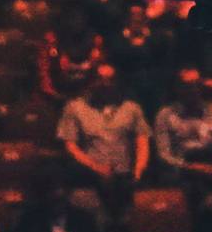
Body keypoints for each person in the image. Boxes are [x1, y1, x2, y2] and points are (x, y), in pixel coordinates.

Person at [58, 65, 151, 210]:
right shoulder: (75, 108)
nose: (105, 84)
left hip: (125, 175)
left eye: (110, 80)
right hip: (90, 175)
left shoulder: (132, 108)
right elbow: (70, 146)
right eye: (100, 79)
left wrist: (138, 171)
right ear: (91, 81)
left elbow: (142, 142)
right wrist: (96, 167)